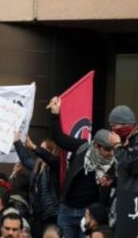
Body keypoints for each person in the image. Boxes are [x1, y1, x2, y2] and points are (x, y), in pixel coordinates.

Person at [48, 96, 114, 238]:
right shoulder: (82, 147)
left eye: (112, 149)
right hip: (67, 210)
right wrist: (55, 113)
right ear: (96, 146)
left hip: (89, 216)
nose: (111, 153)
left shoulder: (113, 163)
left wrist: (111, 180)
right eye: (107, 150)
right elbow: (58, 138)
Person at [13, 131, 60, 237]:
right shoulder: (38, 165)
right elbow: (25, 159)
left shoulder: (55, 166)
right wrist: (17, 142)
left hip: (51, 214)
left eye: (43, 149)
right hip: (38, 214)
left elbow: (50, 160)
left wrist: (34, 147)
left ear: (51, 151)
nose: (40, 152)